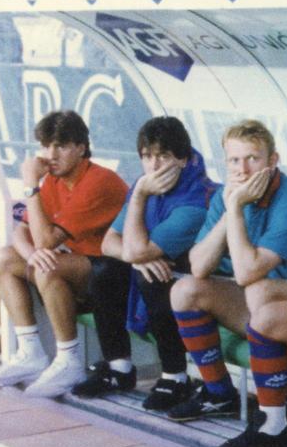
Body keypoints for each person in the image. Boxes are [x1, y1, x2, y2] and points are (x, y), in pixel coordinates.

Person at [168, 120, 287, 447]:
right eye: (234, 161)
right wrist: (229, 209)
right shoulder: (229, 194)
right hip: (267, 306)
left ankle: (276, 420)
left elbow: (247, 271)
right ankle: (217, 391)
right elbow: (199, 266)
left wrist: (235, 208)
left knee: (259, 292)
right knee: (186, 290)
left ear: (273, 160)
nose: (243, 169)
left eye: (252, 158)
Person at [74, 118, 216, 409]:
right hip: (165, 269)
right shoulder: (146, 189)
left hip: (206, 283)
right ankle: (119, 369)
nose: (154, 166)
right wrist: (137, 260)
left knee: (153, 276)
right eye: (147, 156)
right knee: (104, 271)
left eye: (164, 156)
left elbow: (139, 250)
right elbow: (109, 242)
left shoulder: (196, 198)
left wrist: (139, 195)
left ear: (184, 159)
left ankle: (176, 376)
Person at [0, 111, 129, 396]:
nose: (51, 154)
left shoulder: (99, 180)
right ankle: (30, 353)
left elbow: (46, 240)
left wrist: (29, 185)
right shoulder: (54, 179)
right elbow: (22, 232)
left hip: (116, 274)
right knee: (1, 259)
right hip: (83, 267)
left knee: (48, 266)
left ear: (81, 148)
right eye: (46, 145)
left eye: (61, 146)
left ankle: (69, 361)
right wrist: (30, 255)